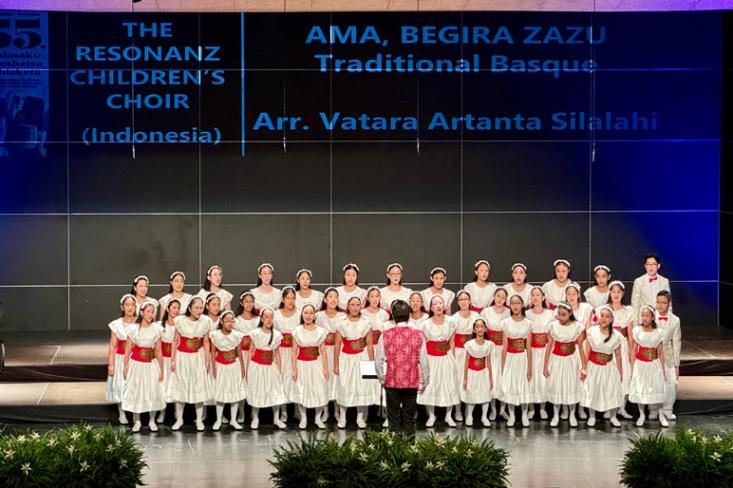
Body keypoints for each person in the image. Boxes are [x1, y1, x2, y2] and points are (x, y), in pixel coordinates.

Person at [375, 299, 430, 437]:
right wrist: (425, 380)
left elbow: (378, 360)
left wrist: (382, 378)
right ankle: (410, 449)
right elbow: (424, 361)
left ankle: (394, 449)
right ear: (409, 315)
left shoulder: (386, 334)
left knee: (393, 419)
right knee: (409, 419)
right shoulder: (418, 335)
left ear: (392, 316)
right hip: (411, 381)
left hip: (392, 381)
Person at [167, 296, 213, 431]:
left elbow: (205, 341)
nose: (199, 310)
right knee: (181, 385)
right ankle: (179, 419)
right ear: (190, 308)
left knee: (198, 386)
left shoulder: (205, 321)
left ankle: (199, 420)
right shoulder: (180, 321)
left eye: (201, 307)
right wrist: (173, 359)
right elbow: (175, 341)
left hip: (197, 356)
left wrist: (207, 359)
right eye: (196, 307)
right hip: (183, 357)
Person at [334, 296, 379, 428]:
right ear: (348, 306)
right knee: (345, 385)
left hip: (362, 357)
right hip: (346, 358)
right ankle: (343, 417)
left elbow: (370, 345)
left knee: (362, 386)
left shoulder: (366, 323)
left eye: (357, 304)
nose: (355, 307)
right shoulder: (341, 323)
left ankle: (360, 417)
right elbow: (337, 345)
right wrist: (336, 364)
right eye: (352, 304)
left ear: (361, 306)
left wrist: (371, 364)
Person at [122, 301, 165, 433]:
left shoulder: (157, 329)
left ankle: (152, 420)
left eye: (152, 312)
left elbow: (158, 351)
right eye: (148, 312)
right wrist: (125, 366)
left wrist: (161, 369)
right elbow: (127, 350)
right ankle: (137, 420)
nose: (150, 314)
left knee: (151, 390)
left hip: (151, 364)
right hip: (136, 364)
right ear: (141, 312)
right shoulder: (133, 329)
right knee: (137, 391)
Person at [417, 295, 459, 427]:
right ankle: (431, 415)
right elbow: (423, 345)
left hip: (446, 357)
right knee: (431, 386)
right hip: (431, 358)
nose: (438, 305)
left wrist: (452, 358)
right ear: (431, 307)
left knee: (449, 385)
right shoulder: (425, 324)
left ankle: (448, 415)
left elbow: (452, 343)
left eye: (441, 302)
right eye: (435, 303)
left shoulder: (451, 322)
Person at [581, 306, 625, 428]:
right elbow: (587, 351)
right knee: (593, 389)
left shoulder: (616, 336)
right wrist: (584, 368)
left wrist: (621, 373)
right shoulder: (591, 332)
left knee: (611, 390)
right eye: (602, 316)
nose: (604, 319)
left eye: (607, 316)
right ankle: (592, 416)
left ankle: (613, 416)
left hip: (609, 367)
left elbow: (618, 355)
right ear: (598, 318)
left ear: (611, 319)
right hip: (594, 366)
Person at [543, 301, 585, 428]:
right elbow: (549, 346)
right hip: (557, 359)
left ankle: (572, 414)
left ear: (570, 313)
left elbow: (581, 347)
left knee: (571, 385)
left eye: (564, 314)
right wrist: (545, 365)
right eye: (559, 314)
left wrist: (583, 366)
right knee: (557, 385)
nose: (561, 317)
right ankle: (556, 414)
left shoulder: (577, 326)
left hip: (571, 359)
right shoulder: (552, 326)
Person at [244, 308, 287, 429]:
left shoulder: (277, 334)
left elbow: (277, 353)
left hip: (270, 366)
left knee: (274, 390)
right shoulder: (255, 333)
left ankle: (276, 418)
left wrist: (279, 369)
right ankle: (255, 417)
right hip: (257, 365)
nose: (269, 319)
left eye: (271, 317)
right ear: (262, 318)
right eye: (266, 317)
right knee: (257, 389)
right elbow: (251, 351)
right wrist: (248, 369)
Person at [290, 304, 329, 429]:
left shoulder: (321, 331)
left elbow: (323, 351)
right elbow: (293, 351)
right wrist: (294, 368)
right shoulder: (297, 331)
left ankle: (317, 418)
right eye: (305, 313)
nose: (308, 316)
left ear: (314, 315)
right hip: (302, 364)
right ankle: (304, 417)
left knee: (318, 389)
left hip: (316, 364)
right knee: (303, 390)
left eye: (311, 313)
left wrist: (325, 368)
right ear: (302, 314)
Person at [629, 305, 668, 427]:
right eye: (643, 315)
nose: (644, 318)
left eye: (647, 316)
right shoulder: (637, 331)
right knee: (641, 388)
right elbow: (634, 350)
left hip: (653, 364)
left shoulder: (658, 332)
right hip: (641, 365)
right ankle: (642, 415)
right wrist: (632, 368)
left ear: (652, 317)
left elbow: (661, 352)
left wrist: (662, 370)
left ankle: (661, 415)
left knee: (657, 389)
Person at [209, 310, 246, 430]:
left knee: (233, 392)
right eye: (227, 320)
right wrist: (214, 367)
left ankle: (233, 420)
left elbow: (239, 352)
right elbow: (213, 352)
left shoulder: (236, 335)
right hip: (221, 365)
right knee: (221, 392)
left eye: (232, 320)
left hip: (233, 365)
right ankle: (218, 419)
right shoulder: (215, 335)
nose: (230, 323)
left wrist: (242, 368)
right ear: (221, 321)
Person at [500, 295, 533, 427]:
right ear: (510, 305)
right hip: (510, 358)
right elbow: (504, 346)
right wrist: (503, 366)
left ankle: (524, 414)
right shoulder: (505, 323)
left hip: (522, 357)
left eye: (517, 303)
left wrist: (530, 367)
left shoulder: (528, 323)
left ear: (522, 305)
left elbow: (529, 347)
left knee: (523, 385)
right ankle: (512, 415)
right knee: (511, 386)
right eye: (512, 303)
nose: (515, 305)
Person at [605, 280, 635, 420]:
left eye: (618, 292)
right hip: (608, 344)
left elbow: (630, 333)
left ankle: (622, 408)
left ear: (622, 294)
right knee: (609, 376)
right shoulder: (604, 309)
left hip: (622, 345)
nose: (616, 295)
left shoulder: (628, 311)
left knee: (624, 375)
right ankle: (608, 408)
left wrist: (631, 351)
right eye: (613, 292)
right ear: (609, 293)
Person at [106, 294, 138, 425]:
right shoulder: (116, 324)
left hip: (136, 359)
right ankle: (122, 413)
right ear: (122, 307)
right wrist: (111, 364)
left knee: (136, 385)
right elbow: (112, 346)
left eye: (132, 305)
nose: (130, 308)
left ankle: (137, 414)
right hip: (120, 359)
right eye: (127, 305)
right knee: (121, 385)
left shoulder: (140, 322)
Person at [315, 287, 346, 422]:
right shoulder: (319, 316)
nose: (333, 300)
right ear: (325, 299)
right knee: (324, 379)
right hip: (324, 351)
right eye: (330, 297)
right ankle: (325, 411)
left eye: (335, 297)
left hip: (338, 350)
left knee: (338, 380)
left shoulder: (343, 316)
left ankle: (338, 410)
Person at [450, 290, 480, 422]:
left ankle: (469, 411)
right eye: (461, 300)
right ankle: (457, 410)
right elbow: (451, 339)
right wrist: (452, 356)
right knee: (458, 380)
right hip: (458, 352)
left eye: (466, 299)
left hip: (472, 352)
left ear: (470, 301)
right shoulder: (454, 318)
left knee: (470, 380)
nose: (463, 302)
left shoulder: (476, 316)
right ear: (458, 302)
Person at [481, 287, 510, 420]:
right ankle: (493, 409)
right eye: (498, 296)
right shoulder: (486, 312)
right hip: (491, 350)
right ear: (494, 296)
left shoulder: (509, 312)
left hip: (505, 349)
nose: (500, 299)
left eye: (503, 297)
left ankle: (503, 409)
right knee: (491, 378)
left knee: (503, 379)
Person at [461, 318, 494, 427]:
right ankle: (469, 415)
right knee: (471, 395)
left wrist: (490, 377)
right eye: (477, 327)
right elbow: (466, 363)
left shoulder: (489, 344)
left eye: (482, 326)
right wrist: (465, 378)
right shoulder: (469, 344)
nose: (480, 329)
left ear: (485, 329)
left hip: (483, 373)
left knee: (485, 395)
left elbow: (488, 362)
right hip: (472, 373)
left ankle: (484, 416)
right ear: (474, 330)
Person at [526, 286, 552, 420]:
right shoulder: (527, 314)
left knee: (543, 378)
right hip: (531, 350)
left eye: (538, 295)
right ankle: (531, 408)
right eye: (533, 295)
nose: (535, 297)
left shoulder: (550, 314)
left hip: (545, 350)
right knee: (531, 377)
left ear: (543, 297)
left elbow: (551, 335)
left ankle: (542, 408)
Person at [274, 287, 299, 423]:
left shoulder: (300, 313)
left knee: (296, 379)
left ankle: (297, 409)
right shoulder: (276, 314)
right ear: (283, 299)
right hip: (281, 351)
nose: (290, 301)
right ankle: (283, 411)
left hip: (295, 352)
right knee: (282, 379)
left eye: (293, 298)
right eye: (288, 298)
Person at [656, 290, 681, 421]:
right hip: (653, 355)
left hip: (668, 355)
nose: (660, 305)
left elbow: (676, 343)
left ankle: (667, 410)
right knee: (654, 382)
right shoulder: (650, 315)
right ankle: (654, 410)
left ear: (669, 303)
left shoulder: (675, 320)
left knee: (671, 382)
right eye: (658, 302)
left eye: (663, 303)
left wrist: (677, 364)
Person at [156, 298, 180, 424]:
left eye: (178, 308)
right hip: (163, 360)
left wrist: (174, 360)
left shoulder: (180, 325)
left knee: (175, 384)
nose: (176, 310)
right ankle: (162, 412)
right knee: (163, 385)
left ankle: (177, 412)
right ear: (167, 309)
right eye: (173, 307)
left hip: (175, 360)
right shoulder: (160, 325)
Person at [631, 253, 671, 321]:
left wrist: (668, 321)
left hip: (660, 320)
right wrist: (635, 326)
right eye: (648, 264)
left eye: (653, 264)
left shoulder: (664, 281)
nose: (650, 267)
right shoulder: (639, 281)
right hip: (644, 320)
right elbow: (635, 306)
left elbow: (668, 304)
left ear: (658, 266)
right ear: (645, 266)